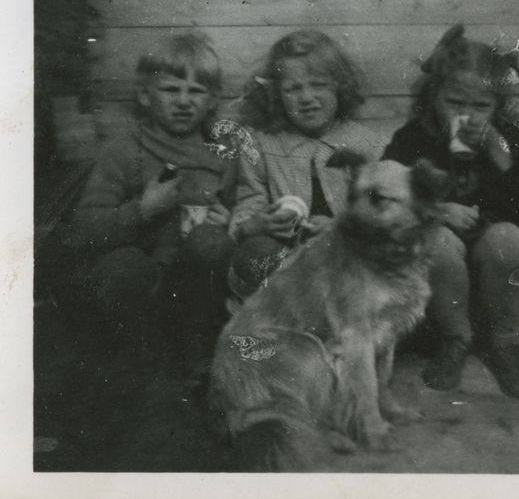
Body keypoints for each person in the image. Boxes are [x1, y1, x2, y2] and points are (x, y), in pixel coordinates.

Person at [382, 25, 519, 400]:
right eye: (455, 103)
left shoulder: (507, 139)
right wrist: (436, 210)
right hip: (442, 272)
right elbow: (387, 191)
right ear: (434, 98)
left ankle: (505, 342)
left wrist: (499, 153)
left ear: (497, 106)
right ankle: (455, 340)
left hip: (497, 267)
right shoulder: (415, 137)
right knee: (439, 241)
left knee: (508, 240)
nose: (467, 115)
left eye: (480, 106)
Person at [71, 33, 237, 373]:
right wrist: (143, 210)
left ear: (212, 100)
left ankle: (198, 356)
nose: (183, 101)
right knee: (122, 266)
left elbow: (242, 212)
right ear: (145, 95)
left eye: (196, 91)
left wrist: (229, 219)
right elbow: (83, 232)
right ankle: (135, 364)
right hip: (141, 286)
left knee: (211, 242)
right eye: (171, 90)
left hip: (194, 291)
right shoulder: (124, 150)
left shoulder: (221, 157)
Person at [228, 30, 386, 298]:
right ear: (276, 95)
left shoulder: (369, 145)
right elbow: (250, 199)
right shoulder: (261, 143)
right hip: (285, 265)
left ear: (340, 85)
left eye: (319, 85)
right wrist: (253, 226)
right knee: (258, 255)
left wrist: (340, 229)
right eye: (293, 88)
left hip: (348, 261)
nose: (307, 97)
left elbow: (380, 214)